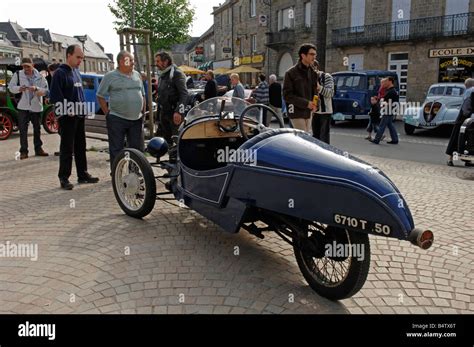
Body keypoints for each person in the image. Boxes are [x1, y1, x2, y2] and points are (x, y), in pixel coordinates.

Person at [49, 44, 99, 190]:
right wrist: (66, 110)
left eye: (82, 58)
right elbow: (55, 96)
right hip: (67, 117)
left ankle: (82, 174)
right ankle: (64, 177)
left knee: (80, 146)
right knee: (67, 148)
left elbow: (80, 94)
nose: (80, 61)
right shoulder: (60, 73)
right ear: (69, 55)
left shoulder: (76, 72)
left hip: (79, 115)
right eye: (78, 57)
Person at [97, 51, 146, 170]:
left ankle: (134, 171)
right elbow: (100, 95)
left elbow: (143, 94)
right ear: (120, 62)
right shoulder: (110, 76)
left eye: (133, 60)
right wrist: (108, 114)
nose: (133, 62)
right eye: (130, 60)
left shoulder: (137, 75)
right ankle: (116, 173)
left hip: (136, 119)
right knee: (116, 149)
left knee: (136, 149)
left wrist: (143, 112)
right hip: (117, 118)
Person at [8, 57, 49, 160]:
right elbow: (11, 87)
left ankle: (38, 149)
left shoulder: (40, 76)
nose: (25, 68)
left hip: (36, 106)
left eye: (27, 66)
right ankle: (23, 151)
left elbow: (46, 91)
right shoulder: (17, 74)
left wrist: (36, 89)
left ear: (33, 66)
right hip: (23, 106)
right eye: (24, 66)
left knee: (37, 129)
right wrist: (19, 89)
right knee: (23, 130)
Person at [283, 43, 319, 132]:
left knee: (306, 137)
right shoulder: (291, 73)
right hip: (296, 112)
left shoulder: (313, 73)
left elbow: (315, 92)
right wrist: (306, 103)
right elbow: (287, 95)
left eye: (315, 54)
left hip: (309, 111)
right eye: (311, 54)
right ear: (303, 55)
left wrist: (316, 104)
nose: (314, 57)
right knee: (302, 137)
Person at [155, 52, 188, 146]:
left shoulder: (177, 73)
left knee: (177, 142)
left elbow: (184, 94)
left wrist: (179, 111)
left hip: (174, 113)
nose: (156, 63)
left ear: (165, 61)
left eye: (158, 61)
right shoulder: (163, 74)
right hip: (164, 113)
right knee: (167, 142)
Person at [446, 78, 474, 166]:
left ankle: (463, 160)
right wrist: (469, 115)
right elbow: (466, 107)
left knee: (460, 139)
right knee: (464, 139)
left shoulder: (467, 91)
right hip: (465, 117)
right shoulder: (471, 91)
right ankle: (452, 159)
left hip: (463, 117)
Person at [371, 76, 399, 145]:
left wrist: (381, 103)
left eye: (386, 81)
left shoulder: (391, 91)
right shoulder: (390, 90)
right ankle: (395, 139)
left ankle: (376, 140)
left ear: (390, 81)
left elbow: (388, 102)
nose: (385, 83)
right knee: (390, 125)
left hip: (387, 110)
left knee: (382, 126)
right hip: (389, 110)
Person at [312, 61, 334, 144]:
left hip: (325, 112)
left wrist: (319, 87)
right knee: (315, 137)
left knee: (324, 137)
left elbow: (330, 93)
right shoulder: (309, 79)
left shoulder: (327, 77)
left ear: (316, 68)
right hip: (315, 112)